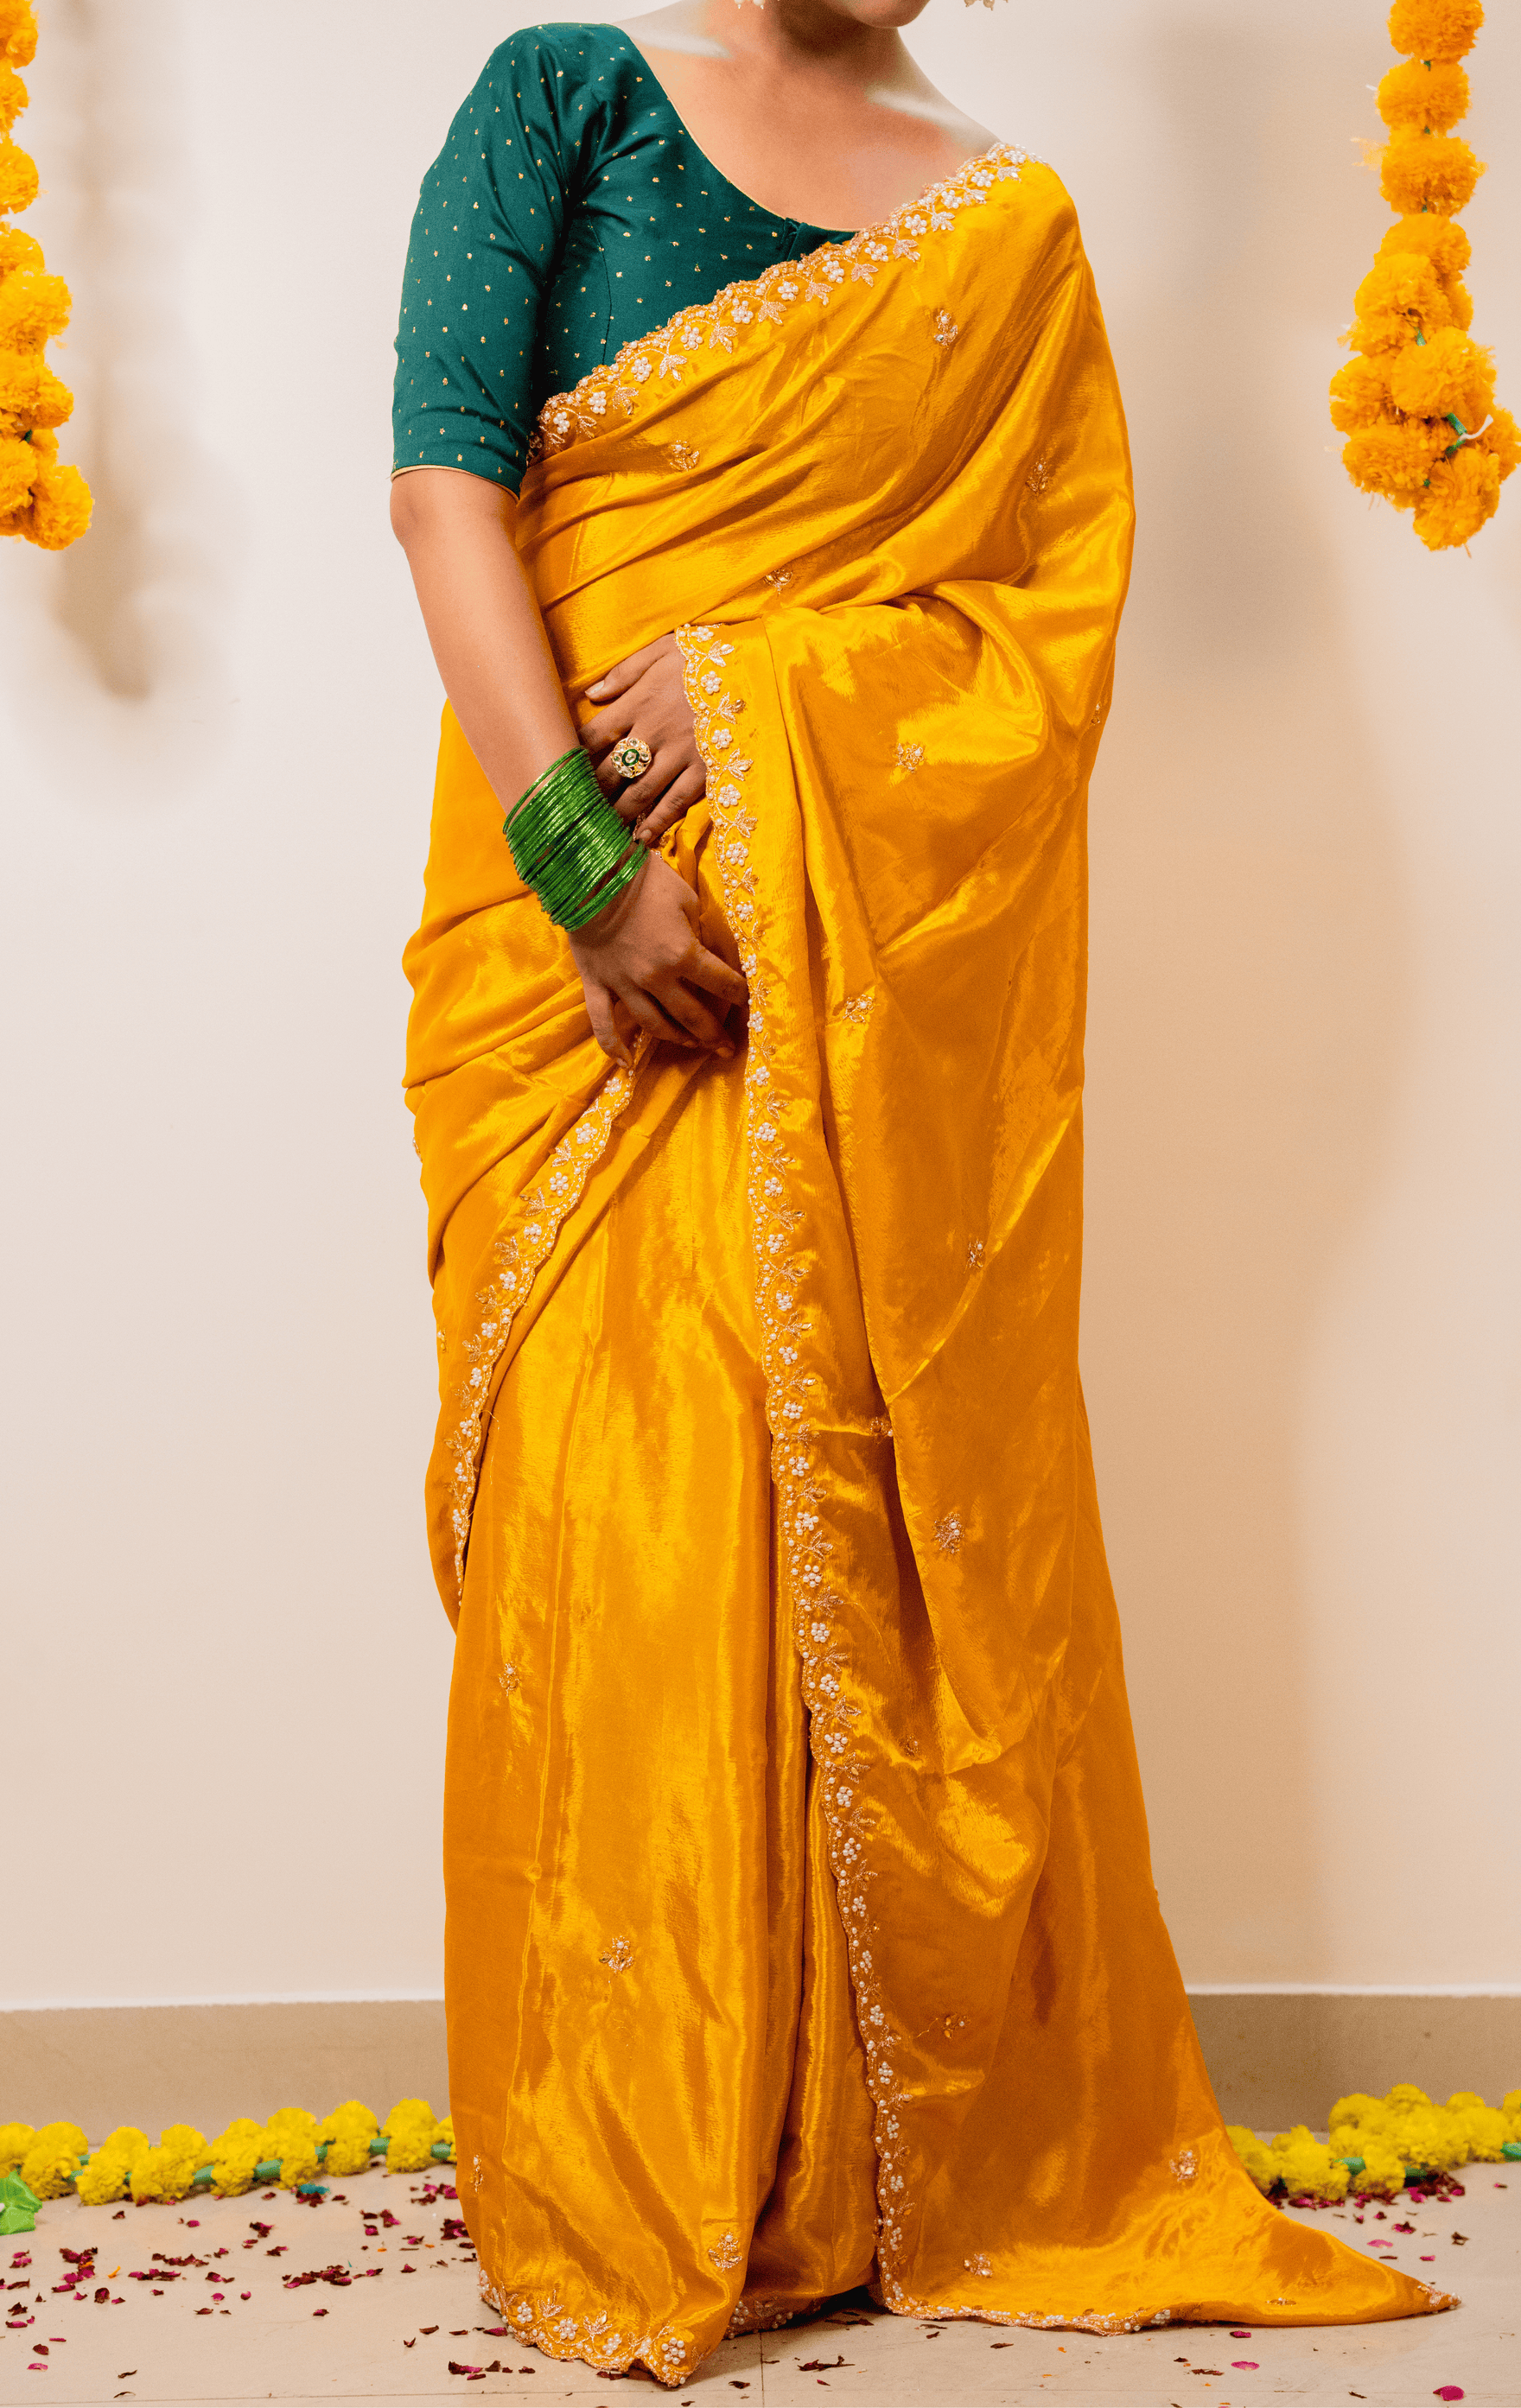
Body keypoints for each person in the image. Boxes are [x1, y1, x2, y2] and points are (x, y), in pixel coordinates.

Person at [391, 2, 1453, 2386]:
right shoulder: (565, 96)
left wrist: (773, 693)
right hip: (569, 984)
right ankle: (640, 2151)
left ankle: (854, 2172)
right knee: (612, 1513)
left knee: (827, 1521)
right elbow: (446, 490)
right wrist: (584, 865)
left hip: (826, 1003)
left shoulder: (1004, 229)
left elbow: (1033, 653)